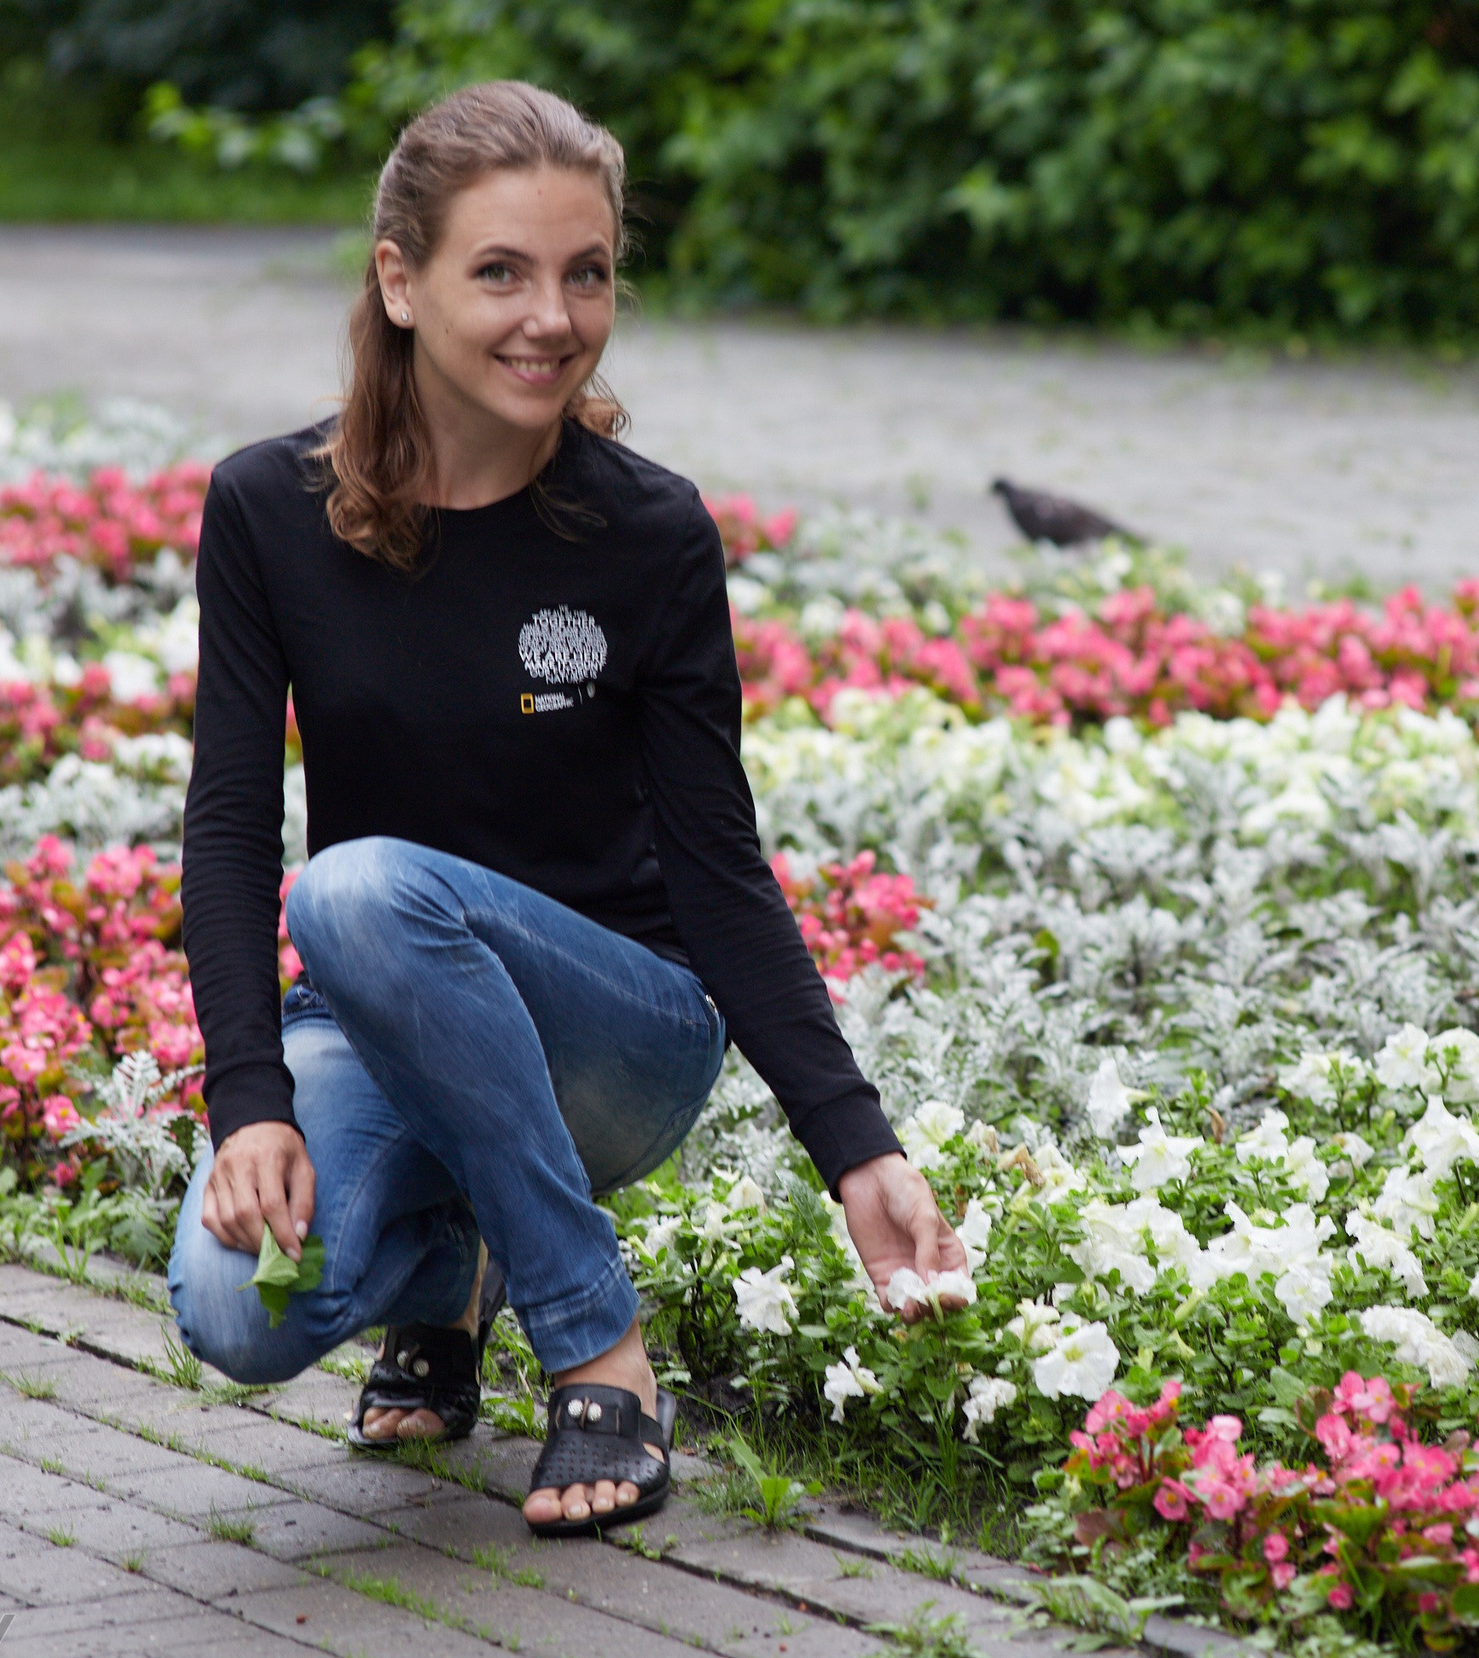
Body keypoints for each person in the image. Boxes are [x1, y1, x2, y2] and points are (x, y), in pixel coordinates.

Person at [163, 80, 968, 1538]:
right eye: (502, 272)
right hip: (374, 1012)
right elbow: (225, 825)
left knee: (352, 889)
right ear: (400, 283)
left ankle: (596, 1345)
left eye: (586, 273)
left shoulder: (646, 532)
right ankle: (461, 1269)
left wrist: (861, 1147)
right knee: (231, 1308)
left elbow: (719, 868)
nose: (554, 314)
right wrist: (249, 1101)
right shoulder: (267, 509)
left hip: (623, 1027)